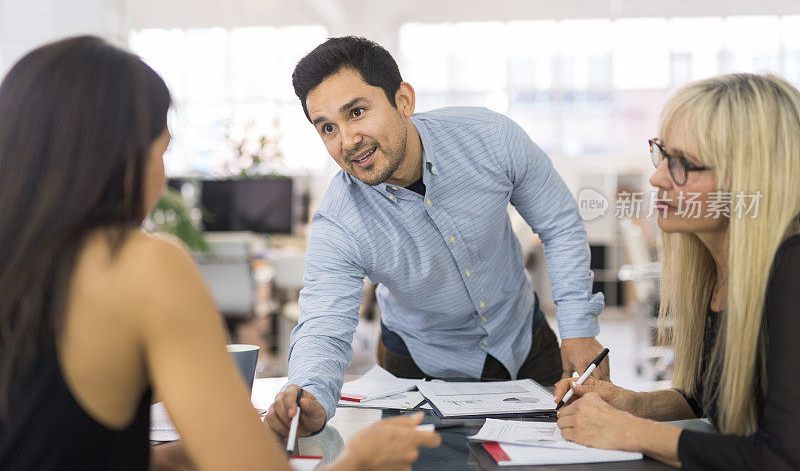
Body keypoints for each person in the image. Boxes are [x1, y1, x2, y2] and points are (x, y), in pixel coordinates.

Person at [0, 36, 440, 470]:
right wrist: (360, 463)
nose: (162, 175)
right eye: (162, 152)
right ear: (122, 158)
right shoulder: (142, 264)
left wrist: (210, 443)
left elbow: (68, 449)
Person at [267, 36, 608, 438]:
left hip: (524, 340)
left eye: (356, 112)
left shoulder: (490, 138)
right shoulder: (339, 222)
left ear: (404, 101)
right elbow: (323, 323)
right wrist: (310, 395)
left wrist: (579, 329)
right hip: (419, 368)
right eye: (327, 128)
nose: (346, 141)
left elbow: (560, 223)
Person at [553, 73, 800, 469]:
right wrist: (634, 404)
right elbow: (712, 396)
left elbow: (782, 457)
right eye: (662, 154)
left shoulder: (791, 270)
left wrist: (628, 430)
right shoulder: (717, 270)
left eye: (683, 164)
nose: (657, 177)